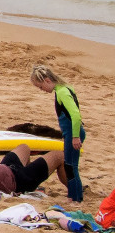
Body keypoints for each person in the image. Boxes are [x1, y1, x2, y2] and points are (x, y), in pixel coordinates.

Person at [32, 64, 86, 204]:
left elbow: (75, 115)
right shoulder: (63, 88)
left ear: (47, 81)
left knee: (71, 166)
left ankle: (76, 198)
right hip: (71, 132)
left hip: (74, 133)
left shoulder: (62, 92)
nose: (42, 90)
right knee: (69, 165)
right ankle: (73, 196)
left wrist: (75, 137)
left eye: (40, 86)